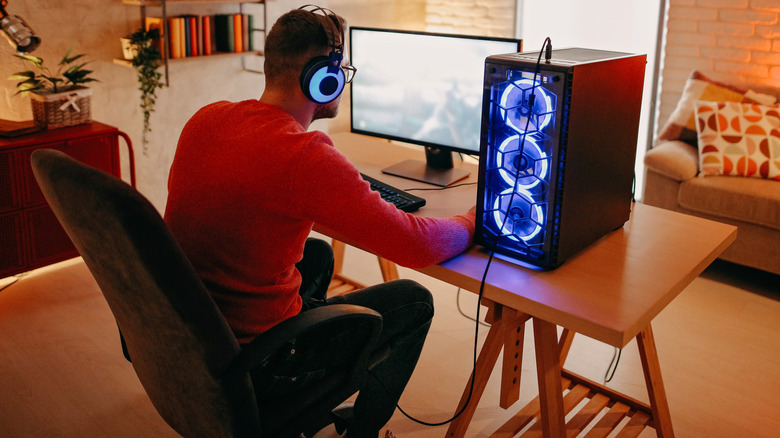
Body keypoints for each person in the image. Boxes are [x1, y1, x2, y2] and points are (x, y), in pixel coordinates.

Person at [164, 5, 475, 437]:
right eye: (341, 70)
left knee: (316, 253)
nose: (343, 80)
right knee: (414, 299)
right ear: (320, 78)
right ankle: (363, 430)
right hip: (259, 362)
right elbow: (418, 246)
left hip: (198, 335)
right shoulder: (304, 156)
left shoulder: (207, 118)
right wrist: (474, 220)